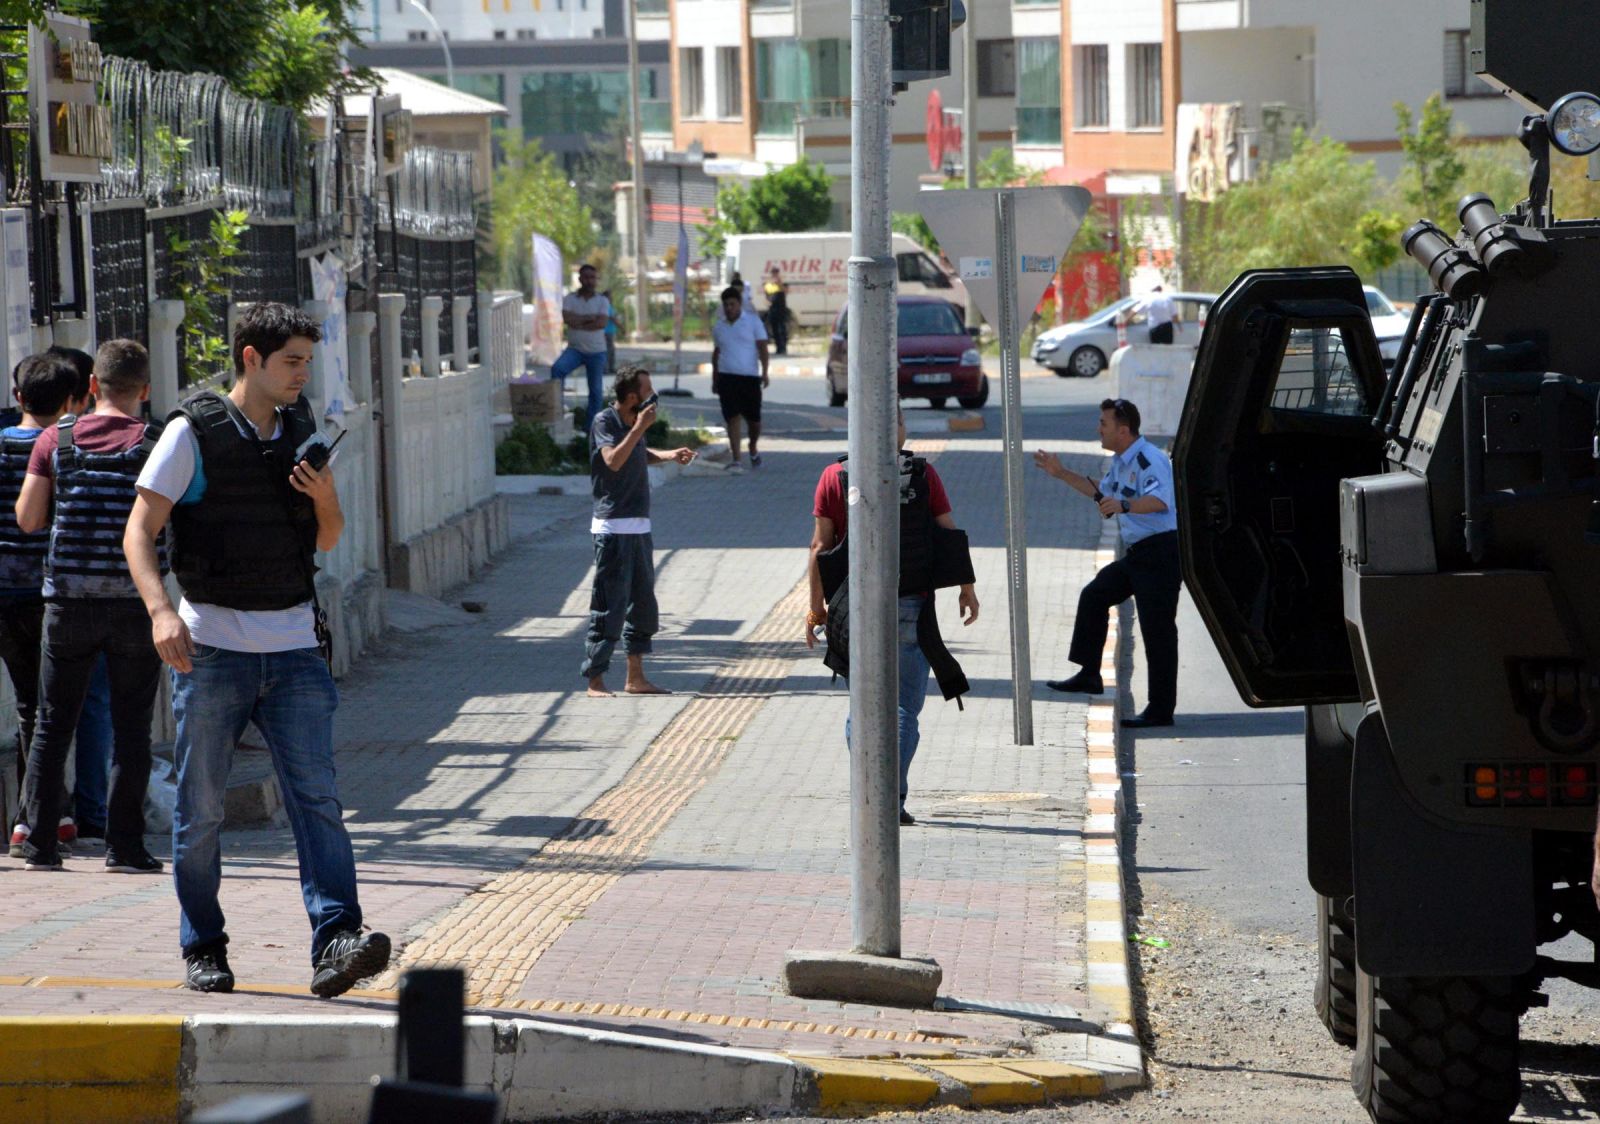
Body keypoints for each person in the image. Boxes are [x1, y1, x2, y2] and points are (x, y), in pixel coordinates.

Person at [125, 301, 389, 997]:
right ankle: (203, 946)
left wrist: (326, 497)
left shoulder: (302, 432)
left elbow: (326, 539)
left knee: (318, 800)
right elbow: (139, 530)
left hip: (297, 648)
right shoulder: (193, 433)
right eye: (292, 361)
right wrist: (160, 612)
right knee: (201, 808)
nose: (304, 373)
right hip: (212, 651)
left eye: (308, 359)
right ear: (251, 359)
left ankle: (337, 940)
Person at [14, 340, 165, 873]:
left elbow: (30, 519)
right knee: (132, 728)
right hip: (134, 605)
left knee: (53, 725)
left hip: (67, 604)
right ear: (144, 391)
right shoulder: (156, 443)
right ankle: (123, 847)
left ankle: (39, 844)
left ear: (93, 387)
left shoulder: (57, 439)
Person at [806, 408, 979, 824]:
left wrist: (816, 609)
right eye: (898, 420)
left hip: (854, 608)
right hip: (910, 605)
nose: (901, 428)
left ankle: (868, 795)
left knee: (862, 708)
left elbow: (819, 547)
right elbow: (948, 531)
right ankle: (890, 799)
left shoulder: (834, 476)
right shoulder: (924, 475)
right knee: (903, 709)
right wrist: (967, 589)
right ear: (896, 429)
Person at [1033, 398, 1180, 728]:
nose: (1098, 429)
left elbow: (1160, 501)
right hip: (1139, 554)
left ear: (1123, 430)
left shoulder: (1148, 459)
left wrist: (1124, 506)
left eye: (1104, 424)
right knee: (1095, 595)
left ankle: (1160, 709)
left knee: (1158, 632)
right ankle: (1089, 674)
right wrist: (1061, 473)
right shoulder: (1121, 460)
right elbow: (1103, 492)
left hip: (1161, 553)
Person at [1, 352, 89, 859]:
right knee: (37, 714)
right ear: (73, 401)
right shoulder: (65, 451)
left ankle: (43, 815)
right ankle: (34, 819)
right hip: (39, 598)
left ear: (18, 397)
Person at [582, 366, 696, 698]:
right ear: (633, 396)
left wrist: (669, 455)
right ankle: (595, 679)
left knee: (642, 604)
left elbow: (638, 454)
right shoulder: (606, 421)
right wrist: (640, 428)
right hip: (613, 528)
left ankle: (635, 677)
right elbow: (614, 461)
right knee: (610, 604)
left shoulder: (634, 424)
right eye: (648, 390)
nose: (653, 395)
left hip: (639, 526)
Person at [710, 285, 770, 473]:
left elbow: (763, 348)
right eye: (726, 305)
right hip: (727, 378)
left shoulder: (753, 322)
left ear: (740, 304)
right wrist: (715, 378)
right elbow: (717, 352)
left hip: (750, 378)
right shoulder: (719, 326)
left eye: (733, 304)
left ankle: (752, 447)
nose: (729, 308)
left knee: (754, 421)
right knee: (732, 417)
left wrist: (765, 372)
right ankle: (737, 459)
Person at [551, 264, 610, 429]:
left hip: (597, 351)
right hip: (575, 349)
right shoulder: (570, 299)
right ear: (580, 279)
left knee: (596, 392)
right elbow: (568, 319)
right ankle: (557, 412)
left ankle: (591, 429)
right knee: (557, 370)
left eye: (593, 277)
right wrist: (589, 318)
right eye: (586, 277)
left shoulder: (602, 300)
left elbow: (601, 323)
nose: (589, 281)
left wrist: (580, 321)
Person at [763, 268, 790, 356]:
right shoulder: (767, 285)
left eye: (776, 273)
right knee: (774, 329)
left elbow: (786, 291)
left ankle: (783, 348)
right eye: (773, 273)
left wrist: (779, 283)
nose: (775, 275)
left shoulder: (783, 284)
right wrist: (767, 302)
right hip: (772, 310)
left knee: (782, 329)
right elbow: (766, 296)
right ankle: (778, 348)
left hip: (781, 309)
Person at [601, 288, 621, 374]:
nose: (611, 298)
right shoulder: (606, 307)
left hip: (609, 331)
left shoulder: (607, 306)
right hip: (607, 332)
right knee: (609, 351)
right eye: (610, 296)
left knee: (609, 350)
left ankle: (608, 367)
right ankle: (608, 368)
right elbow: (612, 318)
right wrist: (621, 327)